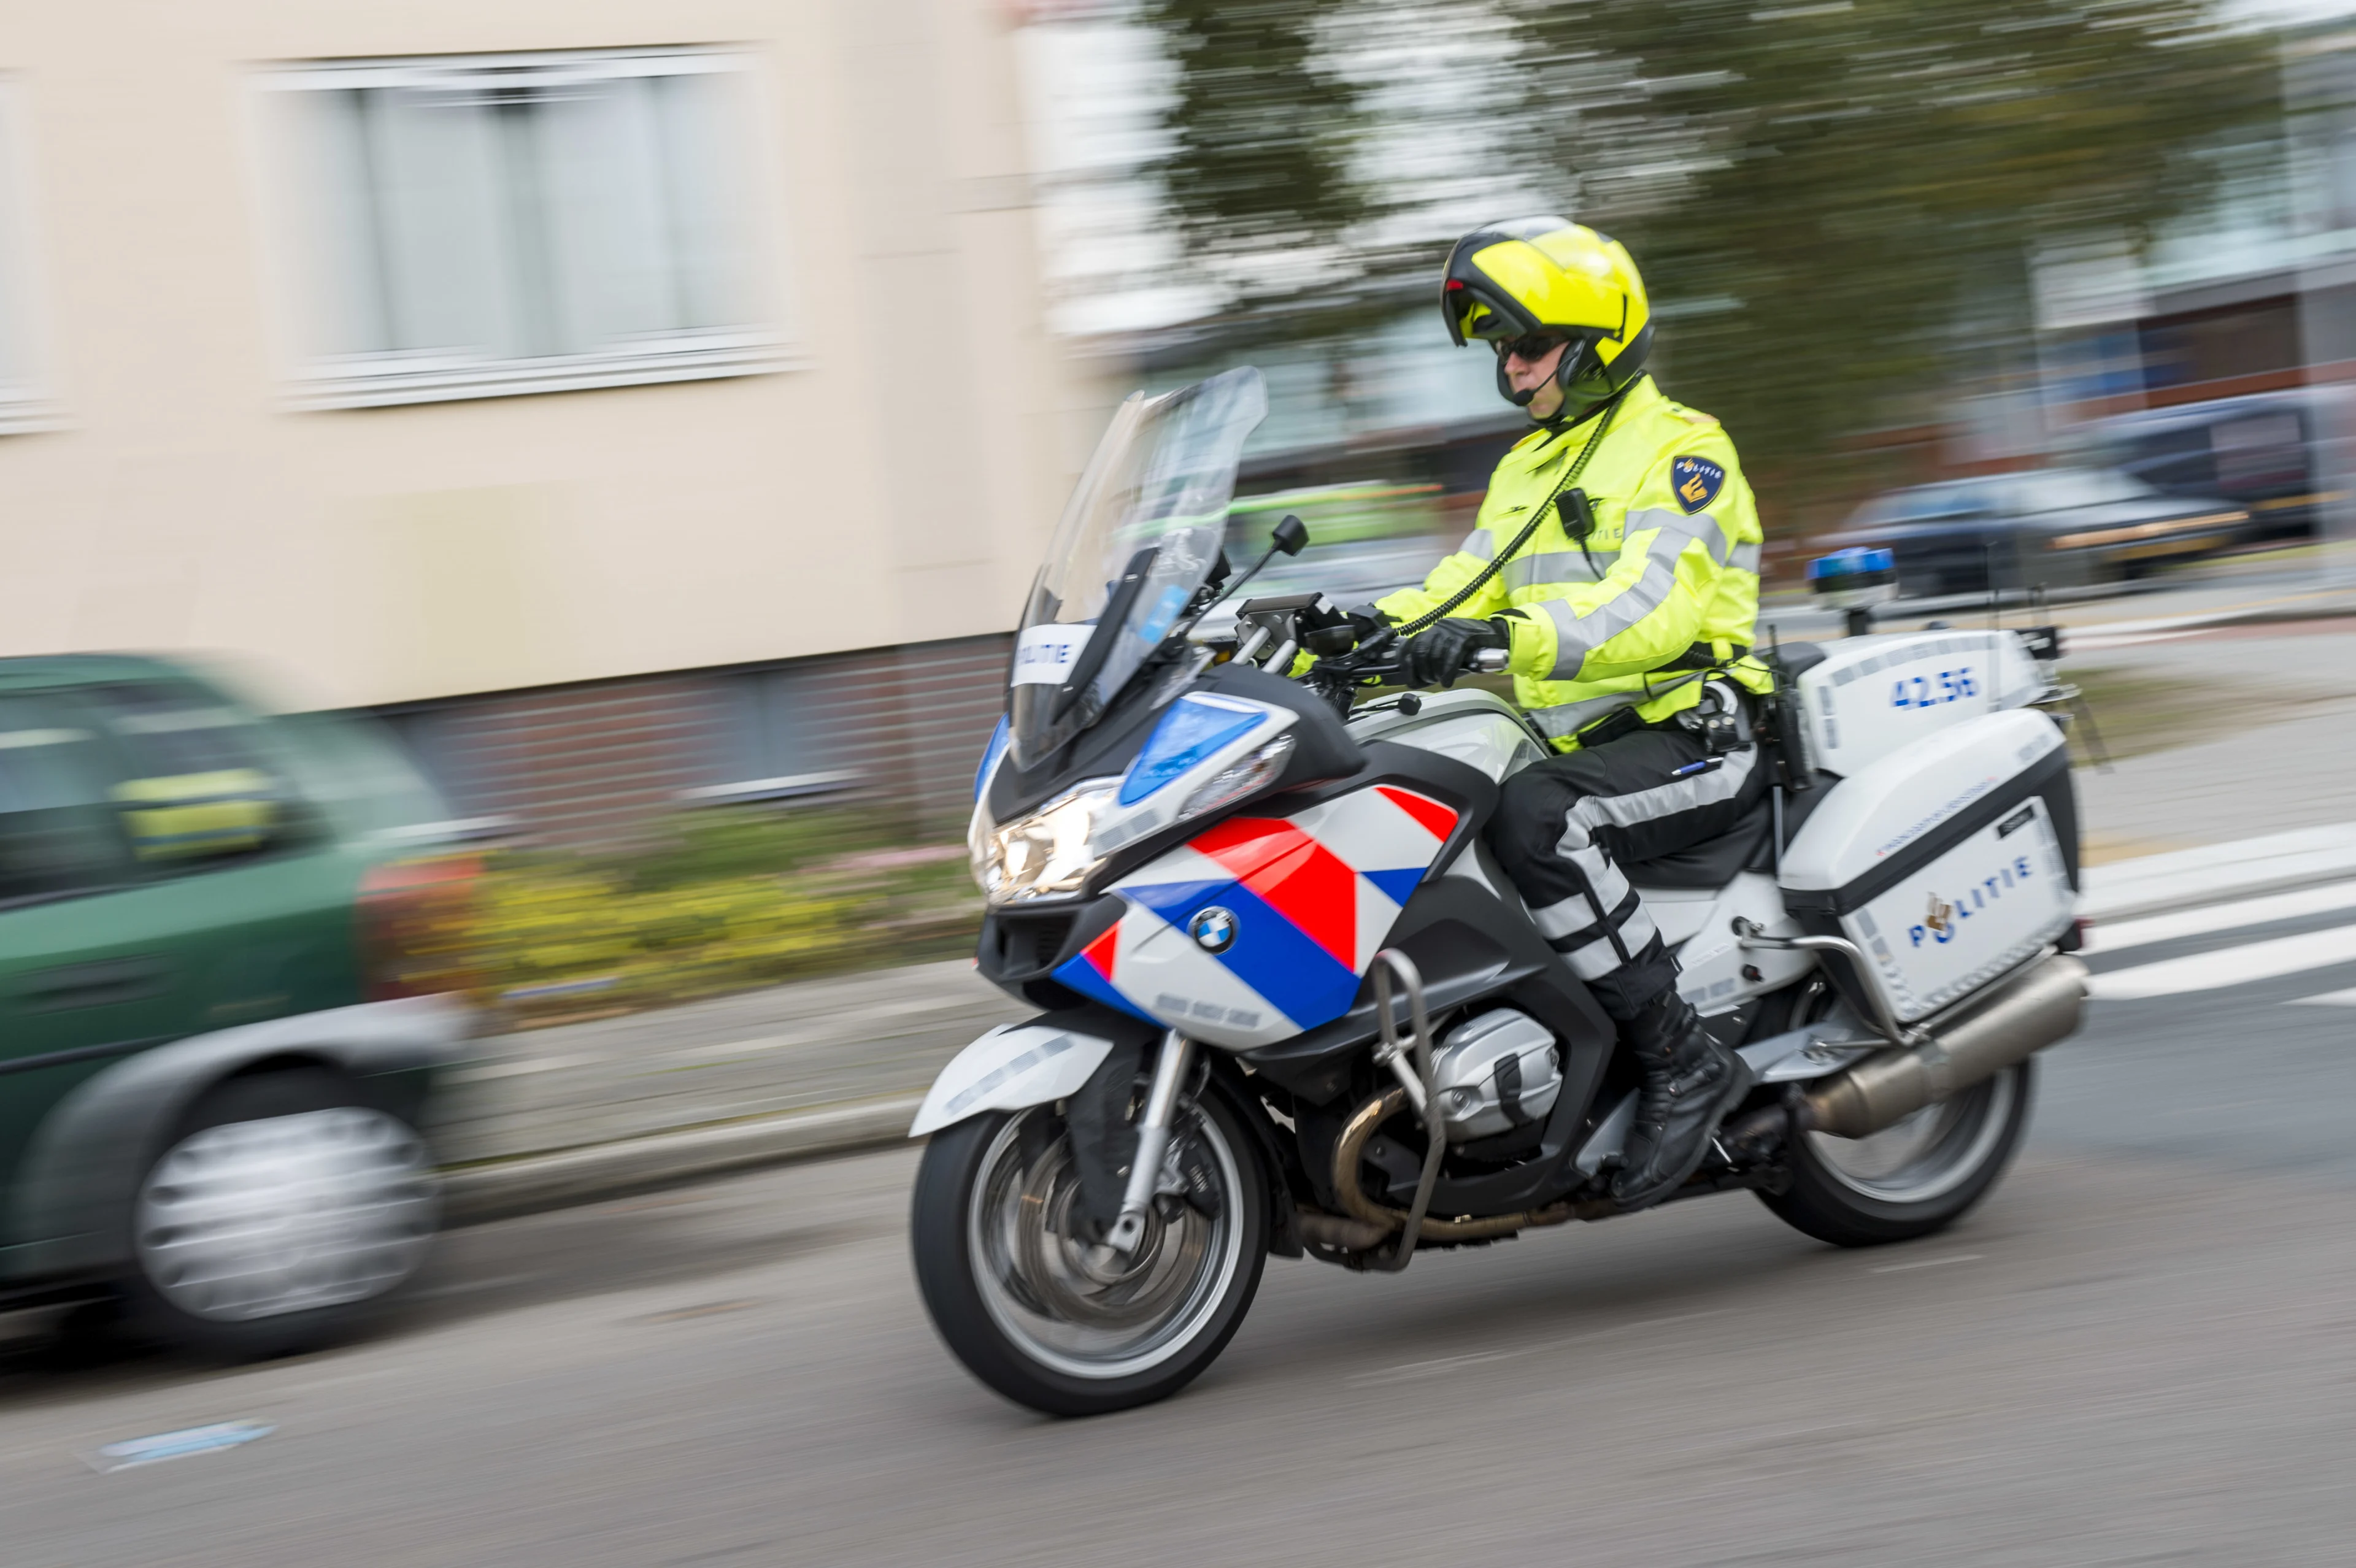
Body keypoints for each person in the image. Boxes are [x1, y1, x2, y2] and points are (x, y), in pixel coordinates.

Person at [1371, 217, 1770, 1212]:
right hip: (1581, 740)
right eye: (1502, 351)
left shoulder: (1684, 451)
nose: (1511, 370)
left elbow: (1655, 608)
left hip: (1694, 733)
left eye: (1529, 347)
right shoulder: (1531, 468)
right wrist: (1327, 634)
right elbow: (1461, 585)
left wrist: (1514, 641)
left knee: (1537, 819)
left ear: (1598, 339)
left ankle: (1681, 1058)